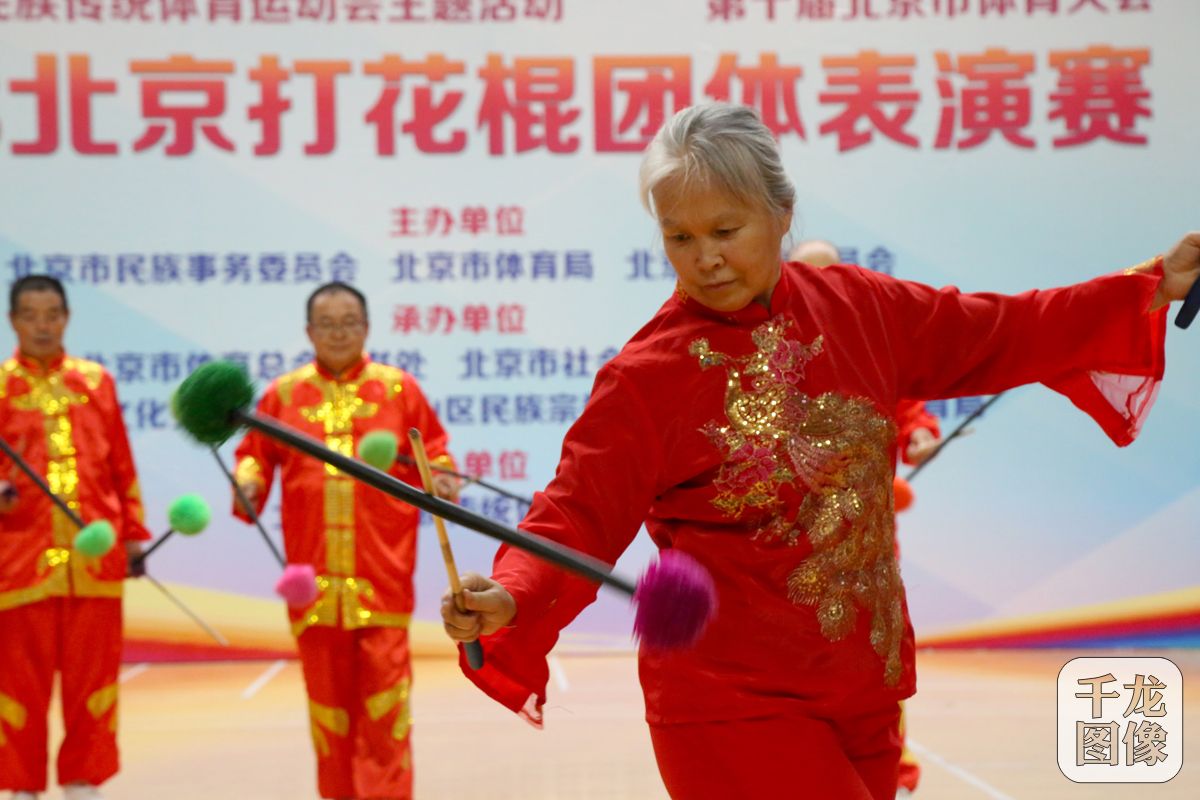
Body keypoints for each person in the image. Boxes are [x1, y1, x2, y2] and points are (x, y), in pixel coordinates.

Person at [439, 103, 1196, 799]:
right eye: (680, 237)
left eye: (725, 230)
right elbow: (573, 516)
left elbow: (1001, 329)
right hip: (732, 704)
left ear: (782, 214)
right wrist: (511, 595)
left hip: (864, 688)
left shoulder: (860, 305)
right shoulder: (647, 377)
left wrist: (1149, 286)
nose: (703, 258)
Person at [232, 281, 458, 800]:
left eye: (349, 322)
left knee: (387, 712)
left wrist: (442, 479)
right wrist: (248, 483)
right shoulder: (283, 394)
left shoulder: (398, 389)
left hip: (382, 580)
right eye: (327, 324)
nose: (338, 333)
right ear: (309, 331)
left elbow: (437, 453)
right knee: (329, 718)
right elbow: (254, 454)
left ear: (367, 327)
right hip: (313, 589)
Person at [789, 238, 940, 795]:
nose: (821, 291)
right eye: (808, 278)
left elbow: (907, 410)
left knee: (879, 665)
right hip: (794, 555)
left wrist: (920, 436)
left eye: (832, 279)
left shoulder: (869, 348)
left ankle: (891, 767)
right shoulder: (775, 354)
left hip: (867, 554)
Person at [0, 276, 150, 800]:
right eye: (30, 315)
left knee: (93, 686)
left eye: (52, 314)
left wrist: (133, 537)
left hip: (95, 562)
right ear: (13, 320)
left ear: (66, 318)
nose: (42, 325)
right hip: (19, 565)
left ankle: (84, 784)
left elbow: (120, 465)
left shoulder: (96, 381)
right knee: (18, 687)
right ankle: (20, 787)